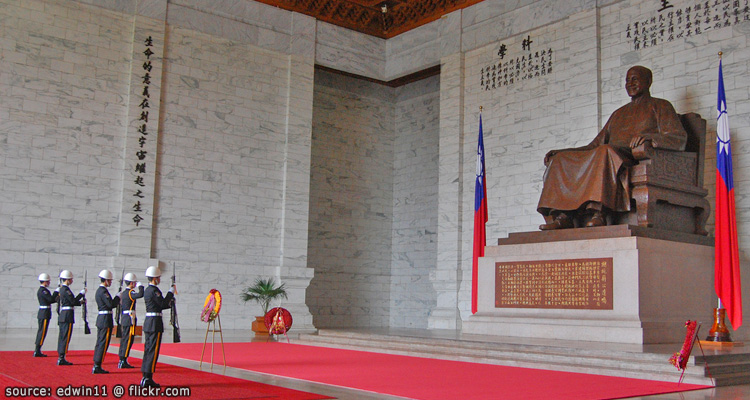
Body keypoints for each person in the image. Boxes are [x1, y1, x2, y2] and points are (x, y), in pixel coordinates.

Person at [538, 66, 687, 229]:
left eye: (635, 79)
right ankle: (563, 216)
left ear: (649, 81)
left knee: (605, 152)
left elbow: (678, 138)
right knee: (560, 160)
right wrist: (562, 152)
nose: (630, 83)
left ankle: (599, 214)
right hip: (608, 154)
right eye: (627, 80)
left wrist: (650, 137)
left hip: (632, 157)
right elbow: (594, 145)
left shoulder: (660, 106)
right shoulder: (618, 113)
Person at [140, 266, 175, 388]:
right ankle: (148, 378)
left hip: (149, 322)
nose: (159, 279)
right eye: (158, 277)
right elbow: (162, 304)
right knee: (153, 351)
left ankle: (145, 376)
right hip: (155, 323)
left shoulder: (147, 290)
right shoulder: (154, 290)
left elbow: (161, 305)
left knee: (148, 349)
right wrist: (170, 292)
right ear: (155, 278)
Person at [92, 269, 120, 374]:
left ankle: (97, 363)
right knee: (103, 342)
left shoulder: (100, 291)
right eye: (110, 280)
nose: (111, 282)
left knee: (100, 342)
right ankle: (97, 365)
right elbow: (110, 304)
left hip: (102, 319)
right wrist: (117, 297)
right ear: (106, 280)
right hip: (105, 320)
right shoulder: (103, 291)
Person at [57, 270, 86, 366]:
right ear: (68, 279)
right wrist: (81, 294)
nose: (72, 280)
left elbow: (71, 302)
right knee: (65, 337)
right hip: (67, 316)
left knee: (63, 336)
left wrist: (81, 302)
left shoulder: (63, 289)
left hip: (64, 315)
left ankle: (61, 356)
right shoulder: (65, 289)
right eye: (71, 279)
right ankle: (62, 357)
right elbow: (73, 301)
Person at [118, 272, 144, 369]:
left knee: (124, 339)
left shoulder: (124, 293)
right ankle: (123, 360)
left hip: (125, 318)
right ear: (132, 283)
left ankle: (122, 358)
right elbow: (140, 294)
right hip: (129, 319)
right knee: (128, 340)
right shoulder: (130, 293)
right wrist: (141, 286)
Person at [34, 273, 58, 357]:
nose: (49, 283)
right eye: (48, 281)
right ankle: (37, 350)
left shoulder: (43, 290)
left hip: (45, 312)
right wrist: (56, 292)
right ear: (45, 282)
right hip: (44, 313)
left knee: (42, 331)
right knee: (42, 331)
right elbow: (50, 299)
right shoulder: (43, 291)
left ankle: (38, 349)